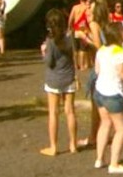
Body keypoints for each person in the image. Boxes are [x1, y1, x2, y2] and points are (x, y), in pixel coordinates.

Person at [94, 22, 123, 174]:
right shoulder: (118, 51)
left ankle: (99, 158)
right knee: (121, 129)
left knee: (104, 124)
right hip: (113, 93)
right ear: (117, 33)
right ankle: (114, 163)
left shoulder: (101, 50)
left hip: (100, 90)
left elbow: (97, 70)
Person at [40, 9, 77, 156]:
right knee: (70, 112)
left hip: (54, 79)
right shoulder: (69, 38)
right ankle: (73, 144)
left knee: (53, 113)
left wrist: (43, 51)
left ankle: (53, 146)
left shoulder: (50, 42)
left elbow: (49, 62)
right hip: (68, 77)